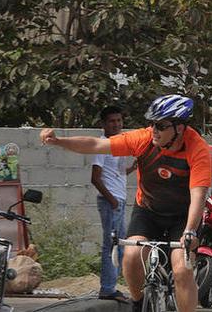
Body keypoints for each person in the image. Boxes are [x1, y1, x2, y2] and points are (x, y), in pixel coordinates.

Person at [40, 94, 211, 312]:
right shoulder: (143, 139)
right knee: (131, 257)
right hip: (148, 211)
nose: (154, 130)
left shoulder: (198, 149)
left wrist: (189, 232)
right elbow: (95, 144)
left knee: (182, 270)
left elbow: (198, 195)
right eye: (151, 124)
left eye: (160, 125)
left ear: (180, 128)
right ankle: (139, 303)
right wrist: (59, 142)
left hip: (183, 217)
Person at [91, 106, 136, 302]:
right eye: (112, 121)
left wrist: (131, 168)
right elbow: (95, 177)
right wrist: (112, 200)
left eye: (119, 120)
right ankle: (108, 288)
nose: (116, 124)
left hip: (117, 200)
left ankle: (112, 287)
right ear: (103, 124)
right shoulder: (102, 144)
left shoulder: (117, 144)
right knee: (111, 245)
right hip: (111, 202)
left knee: (120, 247)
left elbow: (116, 172)